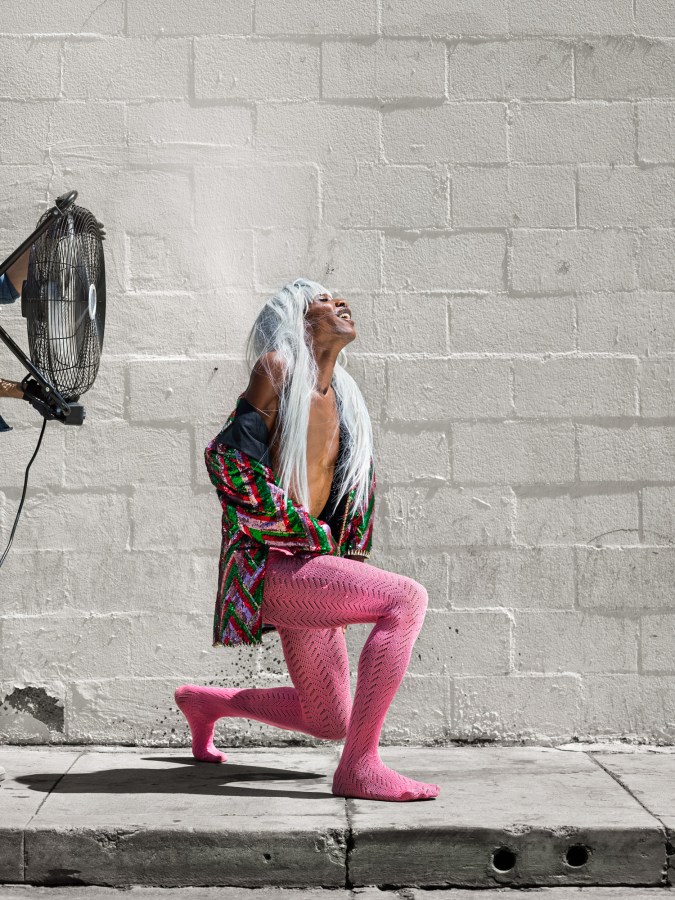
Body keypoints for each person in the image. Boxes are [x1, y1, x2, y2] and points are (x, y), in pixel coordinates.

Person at [174, 277, 439, 802]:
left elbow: (349, 499)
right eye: (322, 299)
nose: (339, 302)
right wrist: (308, 532)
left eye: (338, 295)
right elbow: (227, 464)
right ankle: (360, 768)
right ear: (298, 319)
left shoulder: (346, 396)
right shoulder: (277, 368)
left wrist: (335, 553)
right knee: (406, 599)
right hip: (268, 569)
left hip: (308, 568)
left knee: (329, 719)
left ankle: (207, 703)